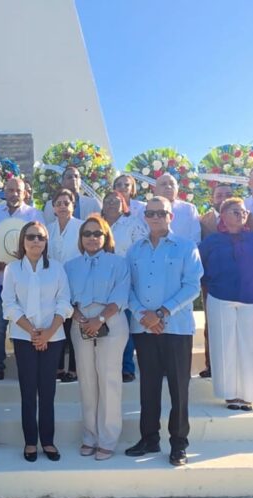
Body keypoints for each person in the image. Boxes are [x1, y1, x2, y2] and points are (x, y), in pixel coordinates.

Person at [125, 196, 202, 466]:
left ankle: (179, 443)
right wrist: (142, 315)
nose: (156, 217)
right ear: (145, 216)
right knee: (148, 386)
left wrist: (161, 313)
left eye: (161, 213)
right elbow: (127, 287)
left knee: (179, 388)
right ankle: (149, 438)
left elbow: (192, 286)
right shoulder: (135, 250)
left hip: (176, 328)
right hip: (143, 328)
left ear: (171, 216)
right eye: (151, 213)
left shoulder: (186, 246)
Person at [2, 221, 72, 462]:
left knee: (48, 391)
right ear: (23, 240)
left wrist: (48, 333)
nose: (35, 241)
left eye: (40, 237)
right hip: (24, 337)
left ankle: (48, 441)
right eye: (31, 236)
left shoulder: (57, 268)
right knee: (28, 391)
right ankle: (30, 442)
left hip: (53, 337)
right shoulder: (13, 269)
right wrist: (33, 332)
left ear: (46, 242)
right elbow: (9, 304)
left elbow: (64, 302)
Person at [199, 198, 253, 411]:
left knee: (251, 348)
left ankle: (247, 395)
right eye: (235, 211)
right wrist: (211, 283)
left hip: (252, 301)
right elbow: (197, 267)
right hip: (220, 299)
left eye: (243, 212)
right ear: (223, 215)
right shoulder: (212, 241)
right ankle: (230, 395)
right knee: (224, 347)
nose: (241, 214)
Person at [65, 215, 130, 460]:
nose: (92, 238)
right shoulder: (70, 266)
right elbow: (65, 298)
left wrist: (99, 319)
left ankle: (108, 438)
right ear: (81, 238)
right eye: (87, 234)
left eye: (97, 233)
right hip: (80, 322)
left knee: (109, 380)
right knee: (87, 381)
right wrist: (81, 318)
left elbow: (121, 295)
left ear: (105, 236)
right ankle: (90, 436)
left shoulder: (119, 263)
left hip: (110, 322)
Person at [0, 177, 42, 381]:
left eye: (18, 190)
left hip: (24, 280)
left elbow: (40, 244)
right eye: (10, 190)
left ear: (25, 192)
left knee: (25, 324)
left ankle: (27, 367)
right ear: (4, 192)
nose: (14, 194)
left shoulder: (34, 215)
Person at [101, 188, 146, 384]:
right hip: (101, 282)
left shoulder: (133, 224)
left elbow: (142, 251)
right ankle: (106, 367)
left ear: (124, 205)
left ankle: (126, 367)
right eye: (107, 201)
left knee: (124, 325)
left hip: (126, 281)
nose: (111, 204)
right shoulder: (97, 224)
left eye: (116, 201)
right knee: (105, 324)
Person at [196, 183, 239, 379]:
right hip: (213, 280)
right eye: (219, 195)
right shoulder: (203, 221)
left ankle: (248, 361)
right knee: (212, 323)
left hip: (241, 279)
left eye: (228, 194)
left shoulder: (244, 216)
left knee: (242, 322)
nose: (224, 198)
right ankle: (212, 364)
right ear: (212, 198)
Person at [46, 189, 83, 383]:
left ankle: (74, 369)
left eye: (66, 203)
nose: (62, 207)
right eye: (58, 203)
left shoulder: (81, 227)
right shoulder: (47, 229)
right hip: (54, 285)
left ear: (73, 206)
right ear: (53, 207)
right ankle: (58, 367)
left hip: (76, 282)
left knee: (74, 327)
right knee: (58, 324)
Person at [151, 173, 201, 245]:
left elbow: (195, 239)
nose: (168, 187)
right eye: (163, 184)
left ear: (177, 188)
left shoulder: (189, 209)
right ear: (155, 189)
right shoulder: (146, 211)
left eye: (172, 184)